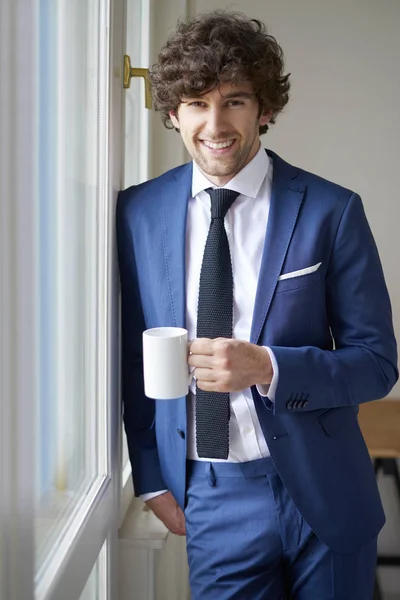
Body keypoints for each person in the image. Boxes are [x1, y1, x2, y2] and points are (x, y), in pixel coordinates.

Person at [116, 10, 398, 599]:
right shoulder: (136, 214)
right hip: (213, 496)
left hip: (328, 493)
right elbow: (130, 352)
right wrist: (150, 479)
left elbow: (377, 362)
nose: (215, 124)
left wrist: (269, 368)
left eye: (235, 101)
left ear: (264, 108)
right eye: (196, 103)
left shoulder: (332, 209)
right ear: (172, 113)